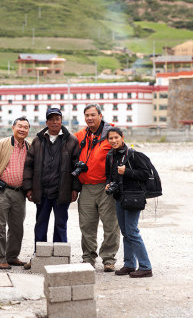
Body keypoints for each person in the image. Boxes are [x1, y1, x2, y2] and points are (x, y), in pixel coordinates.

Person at [22, 107, 80, 269]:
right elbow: (28, 166)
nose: (54, 122)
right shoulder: (38, 140)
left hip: (63, 191)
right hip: (42, 191)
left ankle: (60, 259)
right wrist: (28, 188)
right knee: (41, 224)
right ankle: (38, 257)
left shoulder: (71, 140)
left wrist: (75, 188)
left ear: (61, 121)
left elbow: (77, 167)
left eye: (57, 119)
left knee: (60, 224)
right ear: (46, 122)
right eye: (51, 119)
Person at [75, 103, 120, 272]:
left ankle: (109, 259)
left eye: (93, 114)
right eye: (87, 115)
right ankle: (88, 258)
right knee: (86, 225)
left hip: (106, 187)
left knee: (110, 225)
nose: (90, 118)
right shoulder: (80, 135)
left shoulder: (112, 134)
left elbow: (122, 154)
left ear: (101, 115)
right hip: (86, 187)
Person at [0, 117, 30, 270]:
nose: (22, 129)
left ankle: (12, 256)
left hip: (19, 193)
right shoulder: (1, 144)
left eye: (26, 127)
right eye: (20, 126)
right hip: (1, 191)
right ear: (13, 128)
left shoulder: (29, 147)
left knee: (17, 227)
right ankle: (0, 259)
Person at [105, 127, 153, 278]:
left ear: (122, 137)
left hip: (133, 197)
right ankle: (129, 264)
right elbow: (110, 176)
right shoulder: (110, 156)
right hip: (119, 197)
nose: (113, 141)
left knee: (132, 232)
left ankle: (145, 266)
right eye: (110, 138)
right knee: (126, 232)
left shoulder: (133, 154)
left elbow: (146, 174)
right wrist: (108, 184)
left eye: (116, 138)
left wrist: (127, 171)